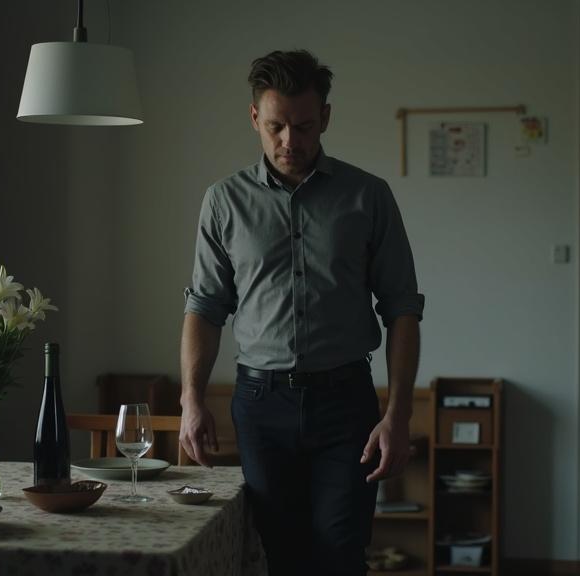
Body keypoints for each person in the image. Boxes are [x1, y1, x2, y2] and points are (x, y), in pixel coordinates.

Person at [179, 49, 424, 576]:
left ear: (326, 118)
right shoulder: (223, 201)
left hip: (346, 404)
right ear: (254, 118)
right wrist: (191, 399)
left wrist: (398, 414)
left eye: (305, 126)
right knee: (280, 555)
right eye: (276, 126)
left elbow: (402, 308)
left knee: (340, 551)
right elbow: (205, 306)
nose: (290, 140)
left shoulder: (368, 196)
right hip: (260, 405)